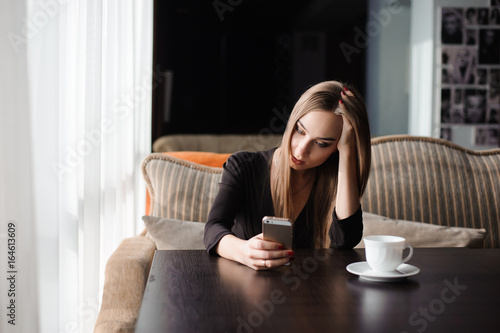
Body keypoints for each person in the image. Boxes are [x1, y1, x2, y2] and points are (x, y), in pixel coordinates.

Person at [204, 81, 371, 270]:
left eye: (322, 144)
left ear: (336, 149)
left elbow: (345, 241)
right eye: (300, 130)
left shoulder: (335, 180)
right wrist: (243, 251)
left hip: (309, 293)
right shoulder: (244, 166)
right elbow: (213, 229)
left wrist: (348, 151)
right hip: (243, 290)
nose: (301, 150)